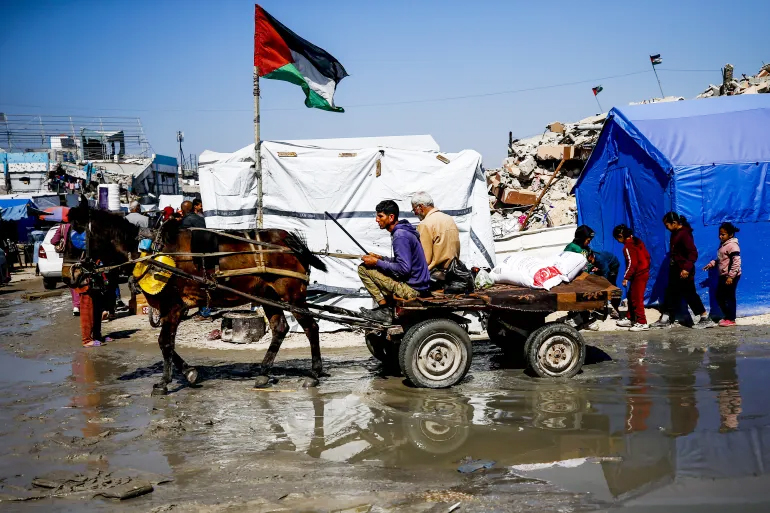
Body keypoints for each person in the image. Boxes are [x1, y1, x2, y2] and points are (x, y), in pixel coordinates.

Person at [358, 200, 431, 322]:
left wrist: (376, 262)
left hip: (412, 289)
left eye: (380, 216)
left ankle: (384, 309)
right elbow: (403, 261)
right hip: (419, 285)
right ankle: (386, 307)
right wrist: (380, 258)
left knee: (363, 269)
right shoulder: (404, 232)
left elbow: (404, 269)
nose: (377, 220)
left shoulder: (400, 236)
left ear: (391, 217)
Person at [652, 212, 715, 329]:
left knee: (690, 294)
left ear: (674, 223)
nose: (667, 228)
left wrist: (686, 268)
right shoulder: (675, 233)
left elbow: (693, 253)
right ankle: (665, 319)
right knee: (670, 293)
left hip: (684, 271)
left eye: (667, 225)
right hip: (675, 270)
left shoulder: (684, 234)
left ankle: (705, 318)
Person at [410, 191, 461, 275]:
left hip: (437, 274)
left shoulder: (425, 224)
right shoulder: (449, 219)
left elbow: (425, 259)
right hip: (455, 270)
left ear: (420, 207)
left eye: (414, 210)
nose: (415, 214)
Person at [613, 224, 651, 332]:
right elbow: (647, 257)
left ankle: (642, 322)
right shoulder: (637, 242)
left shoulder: (628, 247)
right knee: (631, 295)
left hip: (639, 274)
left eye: (617, 238)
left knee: (637, 298)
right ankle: (631, 318)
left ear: (620, 235)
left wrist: (626, 277)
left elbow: (632, 263)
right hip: (642, 272)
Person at [704, 222, 742, 327]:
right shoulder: (723, 245)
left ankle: (731, 319)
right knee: (719, 296)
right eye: (720, 234)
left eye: (723, 234)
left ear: (730, 235)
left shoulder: (733, 246)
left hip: (730, 276)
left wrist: (731, 276)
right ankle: (727, 316)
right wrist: (712, 264)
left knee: (729, 297)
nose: (720, 236)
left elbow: (736, 262)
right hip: (724, 275)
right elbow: (722, 260)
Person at [51, 223, 80, 316]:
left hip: (68, 259)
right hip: (81, 258)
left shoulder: (63, 227)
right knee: (83, 281)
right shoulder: (82, 225)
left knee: (71, 282)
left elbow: (54, 241)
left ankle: (76, 305)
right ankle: (82, 303)